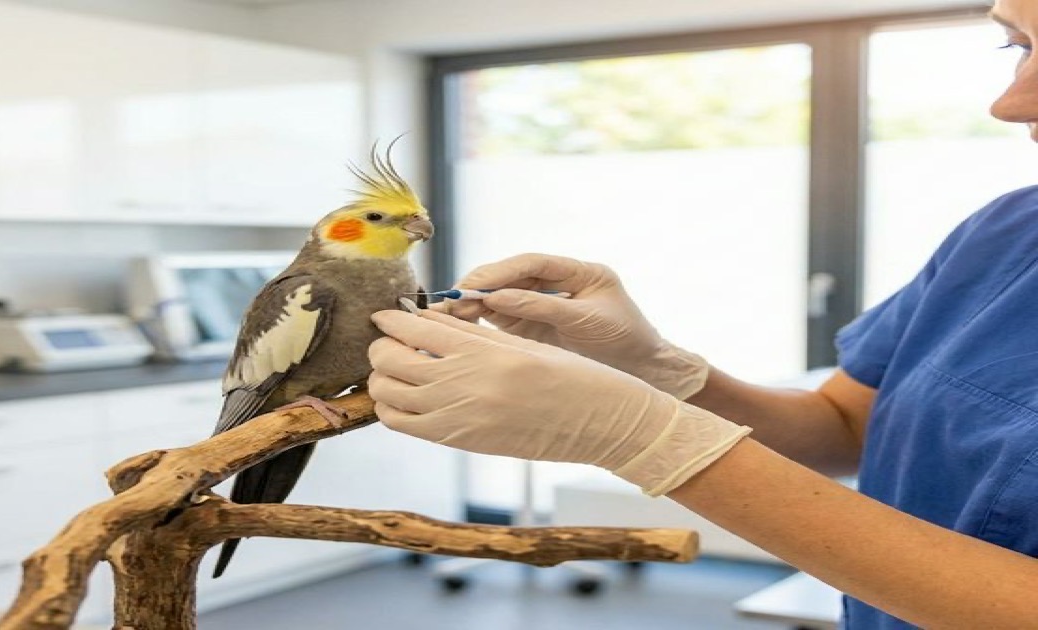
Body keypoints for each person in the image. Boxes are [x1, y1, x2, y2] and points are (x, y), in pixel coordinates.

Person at [366, 1, 1038, 628]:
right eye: (1017, 46)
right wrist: (657, 369)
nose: (1008, 103)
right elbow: (839, 430)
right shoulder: (1004, 235)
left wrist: (645, 439)